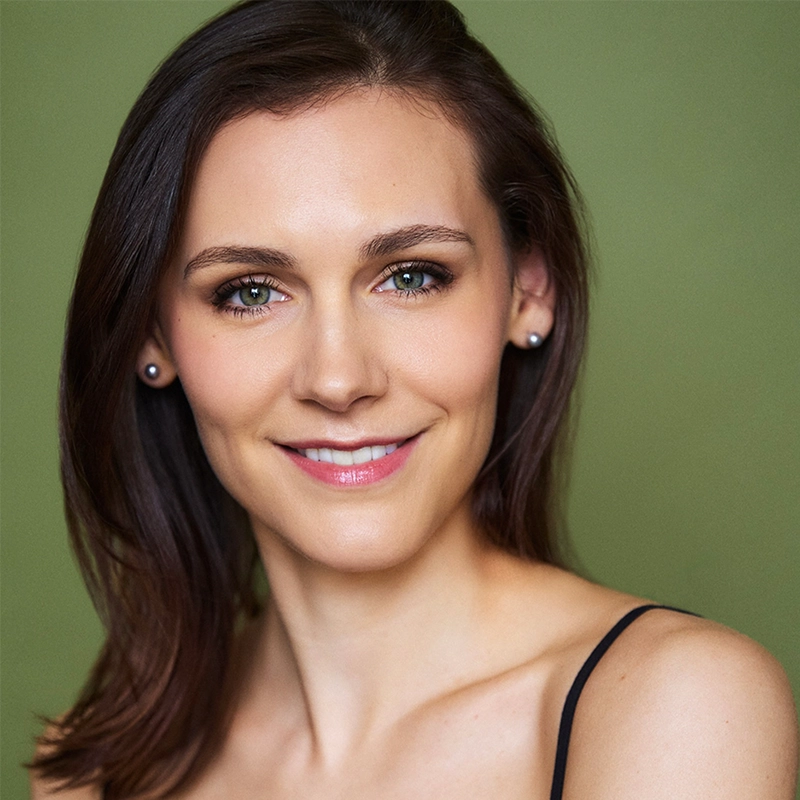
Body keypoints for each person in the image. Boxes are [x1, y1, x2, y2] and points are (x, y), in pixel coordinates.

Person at [30, 1, 798, 798]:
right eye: (251, 291)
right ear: (152, 336)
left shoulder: (677, 710)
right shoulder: (92, 772)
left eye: (411, 276)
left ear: (526, 292)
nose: (337, 378)